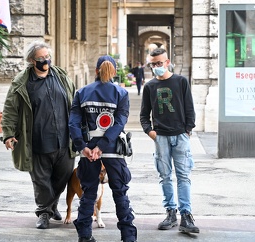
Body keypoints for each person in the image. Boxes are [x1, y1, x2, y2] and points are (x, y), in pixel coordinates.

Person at [1, 40, 76, 229]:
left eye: (47, 57)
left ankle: (52, 205)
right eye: (41, 58)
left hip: (64, 140)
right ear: (32, 61)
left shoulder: (61, 76)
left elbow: (74, 101)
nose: (46, 60)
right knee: (41, 180)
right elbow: (10, 109)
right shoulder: (22, 82)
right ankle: (44, 212)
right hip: (38, 140)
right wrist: (8, 134)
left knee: (63, 175)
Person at [69, 55, 137, 242]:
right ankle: (128, 236)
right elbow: (119, 123)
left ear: (96, 70)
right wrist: (103, 145)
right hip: (113, 151)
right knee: (120, 193)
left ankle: (84, 236)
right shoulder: (121, 94)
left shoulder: (82, 93)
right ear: (114, 71)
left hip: (88, 153)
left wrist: (83, 147)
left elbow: (73, 123)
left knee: (88, 193)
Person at [139, 48, 199, 234]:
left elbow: (189, 107)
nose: (156, 67)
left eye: (159, 63)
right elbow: (144, 115)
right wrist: (150, 132)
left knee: (183, 176)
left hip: (180, 135)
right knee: (164, 176)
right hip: (161, 137)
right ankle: (170, 212)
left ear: (167, 62)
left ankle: (186, 215)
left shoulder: (181, 81)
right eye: (153, 64)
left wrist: (188, 130)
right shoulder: (150, 87)